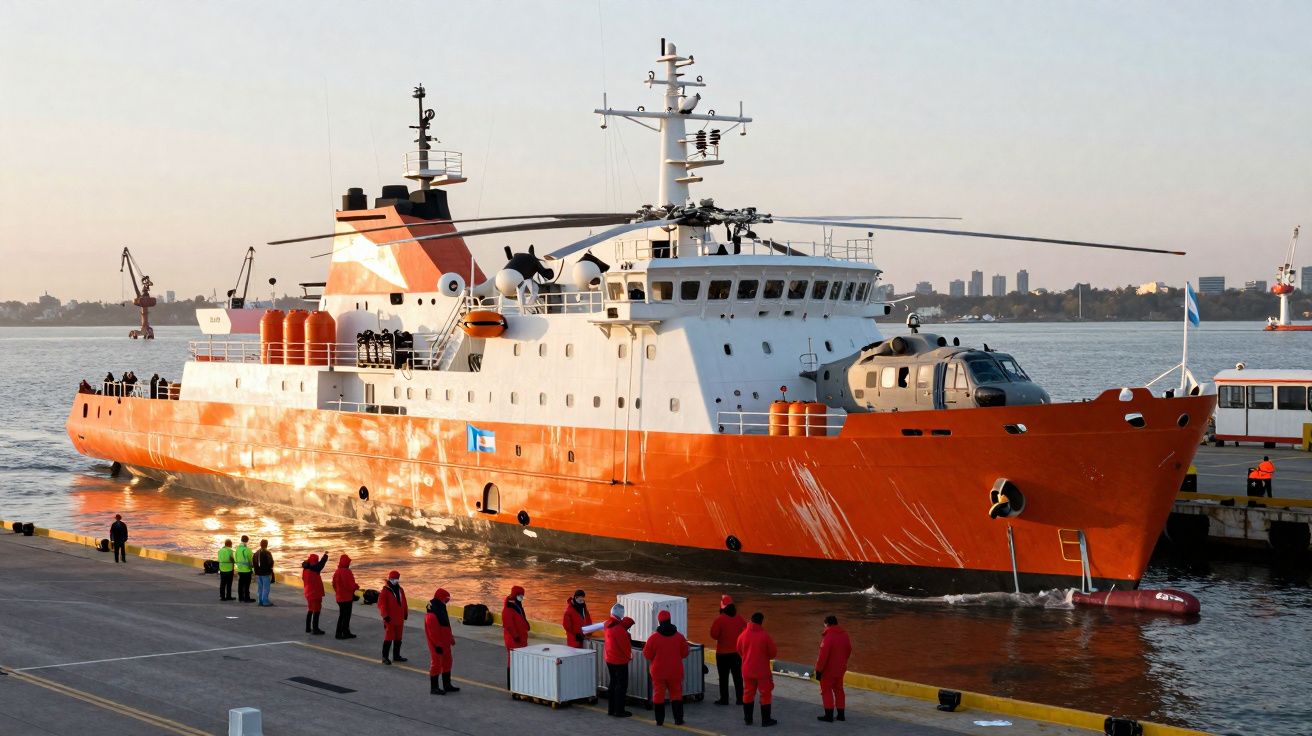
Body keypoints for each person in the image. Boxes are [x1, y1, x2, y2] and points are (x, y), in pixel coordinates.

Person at [643, 610, 690, 727]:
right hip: (675, 671)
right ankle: (678, 720)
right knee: (676, 694)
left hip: (658, 672)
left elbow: (647, 655)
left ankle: (660, 721)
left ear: (659, 622)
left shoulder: (653, 638)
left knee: (658, 695)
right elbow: (685, 653)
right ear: (670, 620)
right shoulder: (679, 637)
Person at [738, 611, 778, 727]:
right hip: (762, 671)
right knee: (765, 694)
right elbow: (773, 653)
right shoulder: (765, 636)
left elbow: (739, 649)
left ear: (751, 620)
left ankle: (748, 719)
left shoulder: (743, 634)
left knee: (748, 693)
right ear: (761, 622)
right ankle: (766, 720)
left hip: (747, 669)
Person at [814, 615, 852, 723]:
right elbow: (849, 650)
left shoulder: (828, 636)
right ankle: (841, 715)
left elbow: (823, 656)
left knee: (826, 691)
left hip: (828, 670)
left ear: (827, 624)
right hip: (840, 669)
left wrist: (818, 670)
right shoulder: (845, 634)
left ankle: (829, 715)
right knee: (839, 690)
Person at [710, 594, 746, 705]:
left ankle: (724, 699)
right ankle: (740, 699)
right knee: (738, 677)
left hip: (722, 654)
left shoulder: (719, 620)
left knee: (723, 677)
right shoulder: (740, 618)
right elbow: (746, 632)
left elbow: (714, 635)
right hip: (736, 653)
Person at [603, 604, 635, 718]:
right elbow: (625, 647)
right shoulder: (619, 629)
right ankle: (619, 710)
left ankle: (611, 709)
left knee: (613, 683)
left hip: (609, 658)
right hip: (619, 661)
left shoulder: (607, 624)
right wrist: (629, 657)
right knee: (621, 685)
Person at [425, 588, 458, 695]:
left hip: (445, 642)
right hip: (437, 644)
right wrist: (438, 645)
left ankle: (447, 685)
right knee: (436, 664)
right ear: (441, 598)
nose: (447, 601)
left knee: (447, 661)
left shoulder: (441, 609)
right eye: (446, 599)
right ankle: (434, 688)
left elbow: (446, 626)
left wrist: (450, 638)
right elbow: (433, 633)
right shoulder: (432, 614)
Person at [501, 585, 530, 688]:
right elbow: (508, 625)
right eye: (520, 595)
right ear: (516, 595)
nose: (522, 597)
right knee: (513, 661)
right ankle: (511, 684)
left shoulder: (517, 606)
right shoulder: (509, 608)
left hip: (520, 638)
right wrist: (515, 636)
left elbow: (521, 619)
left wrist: (526, 626)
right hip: (514, 639)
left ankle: (517, 683)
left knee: (518, 661)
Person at [378, 570, 408, 665]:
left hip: (399, 619)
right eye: (394, 579)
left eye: (396, 579)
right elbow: (381, 604)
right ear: (390, 579)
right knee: (388, 638)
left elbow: (404, 603)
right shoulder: (385, 591)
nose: (395, 580)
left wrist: (405, 613)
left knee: (398, 638)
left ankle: (396, 656)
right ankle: (385, 657)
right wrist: (385, 616)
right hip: (390, 619)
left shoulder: (400, 590)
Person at [301, 551, 328, 635]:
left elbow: (319, 565)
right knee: (316, 610)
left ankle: (308, 628)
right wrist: (325, 556)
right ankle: (315, 629)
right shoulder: (315, 569)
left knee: (310, 609)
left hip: (308, 592)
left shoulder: (305, 569)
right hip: (315, 593)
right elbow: (321, 564)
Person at [332, 554, 358, 639]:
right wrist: (356, 587)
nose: (349, 564)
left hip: (339, 597)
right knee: (346, 616)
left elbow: (334, 584)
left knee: (342, 615)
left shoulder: (337, 571)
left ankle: (343, 632)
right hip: (346, 598)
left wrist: (338, 592)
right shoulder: (347, 572)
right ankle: (341, 633)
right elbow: (349, 585)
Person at [253, 539, 275, 607]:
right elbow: (270, 562)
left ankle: (260, 601)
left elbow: (254, 562)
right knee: (266, 587)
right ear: (266, 544)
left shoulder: (256, 553)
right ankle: (265, 601)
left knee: (260, 587)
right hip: (265, 572)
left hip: (258, 573)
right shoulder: (267, 553)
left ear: (260, 544)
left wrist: (256, 571)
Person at [234, 535, 254, 603]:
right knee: (246, 585)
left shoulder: (237, 549)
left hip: (239, 569)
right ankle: (247, 598)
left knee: (240, 584)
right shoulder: (247, 550)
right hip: (247, 570)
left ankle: (240, 598)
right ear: (247, 541)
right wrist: (252, 568)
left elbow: (235, 559)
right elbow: (250, 560)